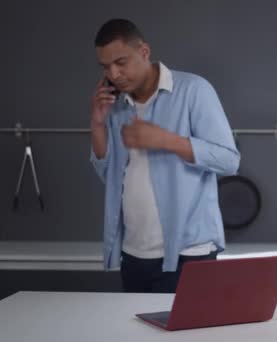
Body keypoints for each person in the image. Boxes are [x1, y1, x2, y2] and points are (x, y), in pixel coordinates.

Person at [90, 18, 240, 293]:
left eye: (121, 62)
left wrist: (165, 140)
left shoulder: (194, 90)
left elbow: (229, 160)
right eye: (105, 67)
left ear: (144, 52)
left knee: (190, 337)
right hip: (134, 254)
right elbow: (109, 177)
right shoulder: (116, 105)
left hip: (189, 254)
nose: (113, 74)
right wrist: (98, 124)